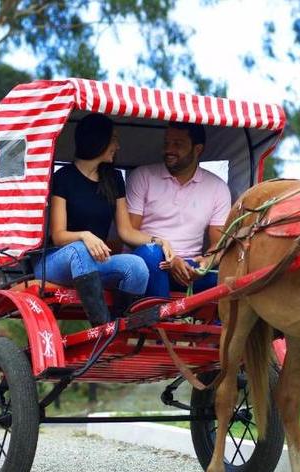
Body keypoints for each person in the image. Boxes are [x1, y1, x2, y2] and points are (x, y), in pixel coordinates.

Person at [34, 114, 174, 325]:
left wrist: (159, 240)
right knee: (80, 249)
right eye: (114, 139)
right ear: (97, 141)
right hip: (57, 260)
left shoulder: (114, 179)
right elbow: (58, 235)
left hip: (94, 263)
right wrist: (84, 236)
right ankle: (102, 329)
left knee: (136, 266)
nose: (117, 146)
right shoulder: (64, 177)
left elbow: (126, 231)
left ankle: (119, 327)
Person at [127, 123, 232, 298]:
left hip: (189, 268)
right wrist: (171, 258)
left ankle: (215, 325)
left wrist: (206, 263)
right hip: (150, 262)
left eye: (178, 144)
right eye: (167, 143)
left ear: (197, 149)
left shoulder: (218, 187)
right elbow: (129, 233)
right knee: (151, 253)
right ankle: (160, 321)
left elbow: (218, 244)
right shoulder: (142, 176)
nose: (169, 150)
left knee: (232, 277)